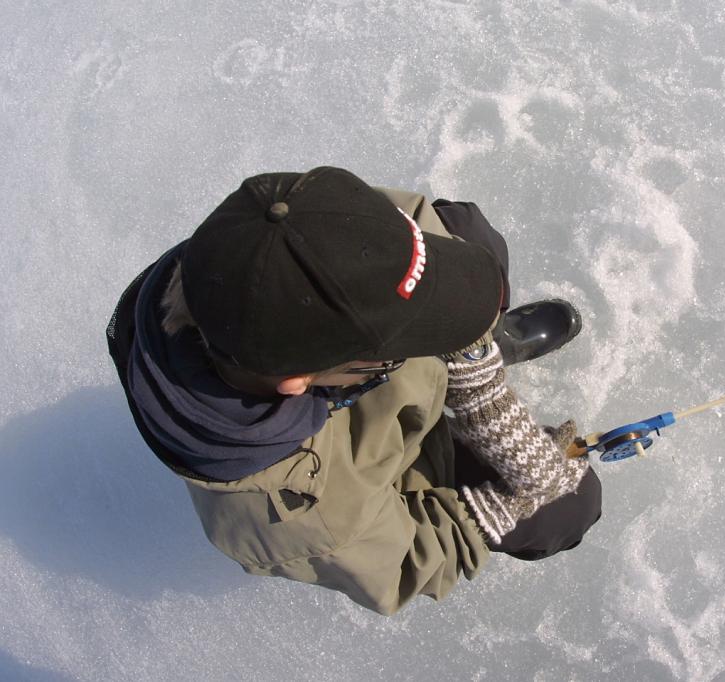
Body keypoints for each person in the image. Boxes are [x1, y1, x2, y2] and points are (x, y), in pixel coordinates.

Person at [106, 166, 601, 615]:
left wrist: (475, 375)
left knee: (464, 232)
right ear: (297, 383)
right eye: (402, 342)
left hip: (370, 378)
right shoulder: (306, 513)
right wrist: (489, 512)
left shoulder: (265, 246)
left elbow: (404, 221)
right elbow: (408, 559)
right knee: (568, 507)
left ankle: (482, 340)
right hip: (383, 459)